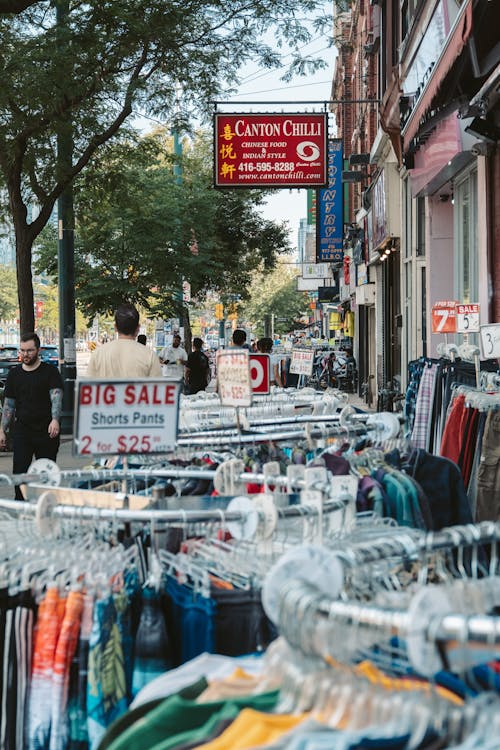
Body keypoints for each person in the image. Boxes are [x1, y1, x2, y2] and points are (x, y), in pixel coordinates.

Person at [0, 332, 63, 500]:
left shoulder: (50, 372)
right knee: (19, 473)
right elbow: (9, 405)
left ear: (39, 350)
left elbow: (56, 397)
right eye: (22, 350)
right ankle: (20, 507)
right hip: (23, 431)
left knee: (47, 475)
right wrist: (2, 429)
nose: (25, 354)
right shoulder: (15, 374)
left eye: (29, 350)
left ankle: (45, 507)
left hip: (47, 432)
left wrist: (55, 419)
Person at [87, 303, 162, 378]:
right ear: (138, 328)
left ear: (115, 327)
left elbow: (88, 385)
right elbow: (158, 386)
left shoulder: (99, 353)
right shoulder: (150, 356)